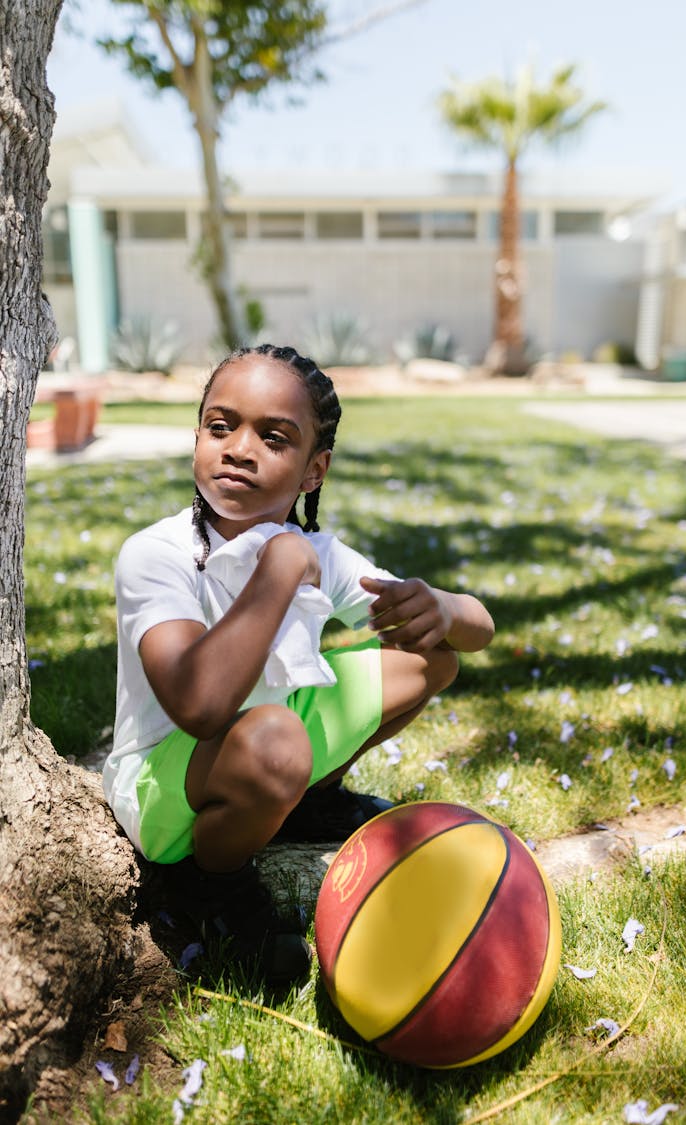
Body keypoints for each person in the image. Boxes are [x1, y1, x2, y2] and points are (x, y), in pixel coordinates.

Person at [103, 343, 495, 982]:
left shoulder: (319, 551)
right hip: (162, 784)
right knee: (279, 739)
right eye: (220, 426)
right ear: (198, 435)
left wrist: (444, 608)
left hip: (265, 743)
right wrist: (279, 571)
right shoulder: (158, 553)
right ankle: (214, 884)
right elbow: (199, 708)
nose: (239, 448)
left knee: (430, 659)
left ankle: (302, 802)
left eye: (274, 438)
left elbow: (478, 630)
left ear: (314, 470)